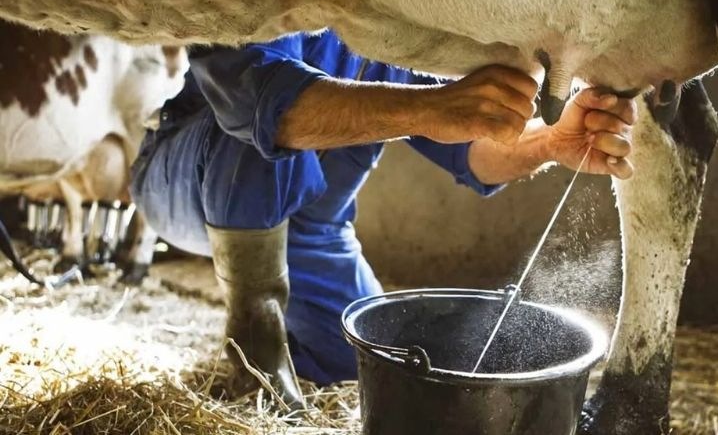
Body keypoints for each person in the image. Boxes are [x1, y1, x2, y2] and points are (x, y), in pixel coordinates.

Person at [130, 30, 636, 405]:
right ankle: (254, 346)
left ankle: (295, 345)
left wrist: (550, 141)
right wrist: (431, 109)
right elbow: (259, 103)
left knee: (374, 363)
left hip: (312, 234)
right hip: (186, 178)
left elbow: (474, 152)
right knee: (260, 126)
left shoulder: (395, 28)